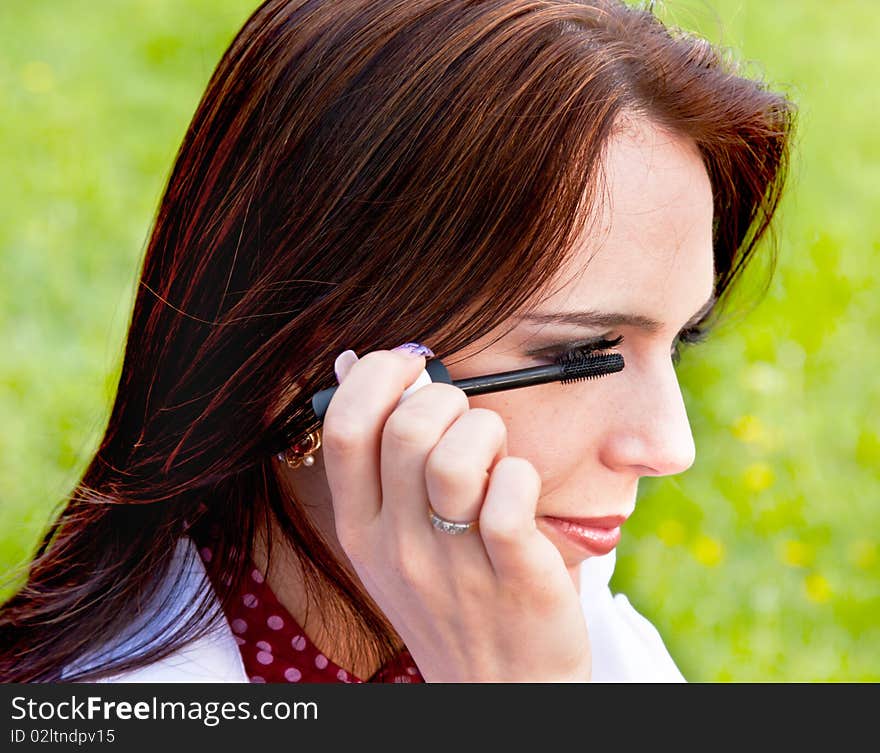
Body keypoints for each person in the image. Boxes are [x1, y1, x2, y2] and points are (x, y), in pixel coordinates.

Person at [0, 0, 795, 683]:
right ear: (302, 357)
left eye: (680, 338)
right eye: (580, 354)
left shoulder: (589, 643)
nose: (669, 446)